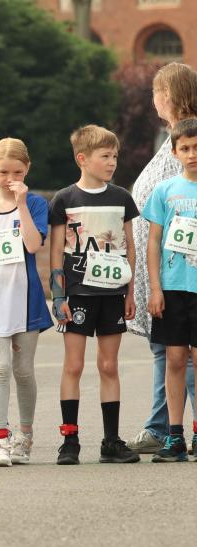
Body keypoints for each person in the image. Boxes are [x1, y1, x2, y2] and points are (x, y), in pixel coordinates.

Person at [49, 125, 140, 465]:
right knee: (73, 365)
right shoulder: (65, 199)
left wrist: (130, 293)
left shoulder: (121, 198)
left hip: (112, 293)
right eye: (105, 156)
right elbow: (56, 252)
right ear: (82, 159)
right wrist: (59, 296)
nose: (112, 162)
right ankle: (69, 439)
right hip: (78, 294)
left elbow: (130, 247)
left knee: (108, 365)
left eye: (115, 156)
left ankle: (111, 441)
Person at [0, 138, 52, 468]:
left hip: (25, 297)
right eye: (3, 172)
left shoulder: (36, 204)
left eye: (17, 172)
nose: (10, 178)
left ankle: (24, 435)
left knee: (23, 370)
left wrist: (22, 203)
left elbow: (32, 245)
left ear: (27, 169)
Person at [127, 62, 197, 454]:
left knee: (179, 353)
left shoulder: (187, 139)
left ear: (167, 94)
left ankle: (165, 428)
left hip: (182, 270)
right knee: (166, 350)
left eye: (155, 92)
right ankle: (163, 426)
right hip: (161, 269)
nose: (153, 99)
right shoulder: (171, 138)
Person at [143, 118, 197, 462]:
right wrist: (155, 288)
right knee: (175, 359)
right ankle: (174, 435)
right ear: (175, 152)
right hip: (173, 287)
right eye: (185, 148)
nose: (192, 154)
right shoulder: (165, 191)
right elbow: (154, 242)